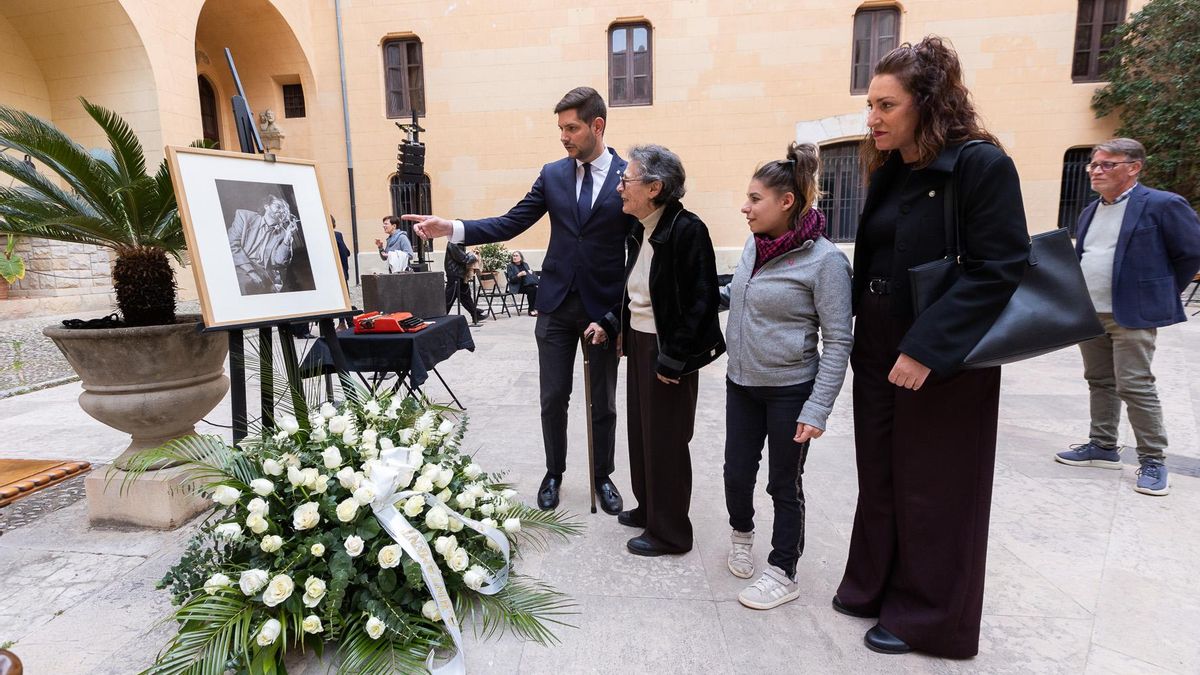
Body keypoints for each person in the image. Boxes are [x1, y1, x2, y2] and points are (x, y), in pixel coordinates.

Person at [833, 37, 1031, 659]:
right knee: (882, 473)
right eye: (871, 105)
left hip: (944, 354)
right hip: (880, 342)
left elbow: (999, 267)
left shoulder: (980, 165)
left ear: (927, 102)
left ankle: (929, 618)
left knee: (935, 485)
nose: (873, 119)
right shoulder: (893, 168)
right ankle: (875, 585)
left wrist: (925, 347)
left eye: (886, 105)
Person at [404, 87, 634, 515]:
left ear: (597, 126)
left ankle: (603, 475)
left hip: (603, 309)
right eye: (560, 128)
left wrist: (622, 313)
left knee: (602, 400)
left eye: (572, 127)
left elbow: (636, 251)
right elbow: (511, 222)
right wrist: (451, 227)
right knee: (553, 397)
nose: (564, 136)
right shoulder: (553, 175)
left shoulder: (627, 176)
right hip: (556, 305)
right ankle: (554, 473)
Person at [719, 144, 853, 609]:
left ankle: (783, 569)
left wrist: (817, 408)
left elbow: (838, 341)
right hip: (741, 382)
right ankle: (741, 534)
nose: (745, 207)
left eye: (755, 199)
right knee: (736, 473)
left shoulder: (826, 262)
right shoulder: (754, 244)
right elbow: (742, 298)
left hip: (790, 391)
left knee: (783, 483)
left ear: (786, 202)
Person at [1054, 138, 1200, 496]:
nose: (1096, 171)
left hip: (1131, 314)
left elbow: (1191, 252)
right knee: (1099, 379)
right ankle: (1102, 446)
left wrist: (1157, 291)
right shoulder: (1090, 210)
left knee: (1135, 385)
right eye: (1093, 165)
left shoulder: (1162, 205)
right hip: (1090, 312)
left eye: (1107, 164)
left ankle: (1153, 460)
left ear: (1133, 167)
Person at [601, 144, 723, 557]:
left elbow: (701, 302)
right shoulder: (641, 227)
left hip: (667, 347)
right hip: (639, 342)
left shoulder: (688, 230)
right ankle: (651, 508)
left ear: (655, 187)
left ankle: (670, 532)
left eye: (626, 180)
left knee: (667, 439)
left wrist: (674, 358)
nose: (620, 188)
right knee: (641, 432)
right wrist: (613, 323)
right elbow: (637, 288)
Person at [228, 194, 301, 295]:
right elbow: (231, 245)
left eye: (284, 210)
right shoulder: (244, 217)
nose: (281, 211)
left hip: (264, 272)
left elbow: (280, 262)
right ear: (266, 206)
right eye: (278, 207)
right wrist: (251, 272)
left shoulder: (283, 233)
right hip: (240, 264)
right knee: (246, 285)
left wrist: (288, 238)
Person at [444, 241, 486, 323]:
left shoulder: (457, 243)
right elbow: (463, 259)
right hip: (454, 273)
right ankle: (440, 317)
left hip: (459, 273)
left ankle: (475, 314)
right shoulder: (453, 243)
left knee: (465, 296)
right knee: (449, 298)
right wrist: (473, 256)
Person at [505, 250, 540, 316]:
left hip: (527, 284)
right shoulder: (510, 266)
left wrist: (531, 273)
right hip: (517, 286)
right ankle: (531, 310)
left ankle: (536, 308)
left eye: (516, 256)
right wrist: (519, 275)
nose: (514, 257)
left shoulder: (525, 264)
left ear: (521, 257)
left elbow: (529, 276)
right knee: (532, 290)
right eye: (513, 256)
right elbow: (511, 279)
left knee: (536, 289)